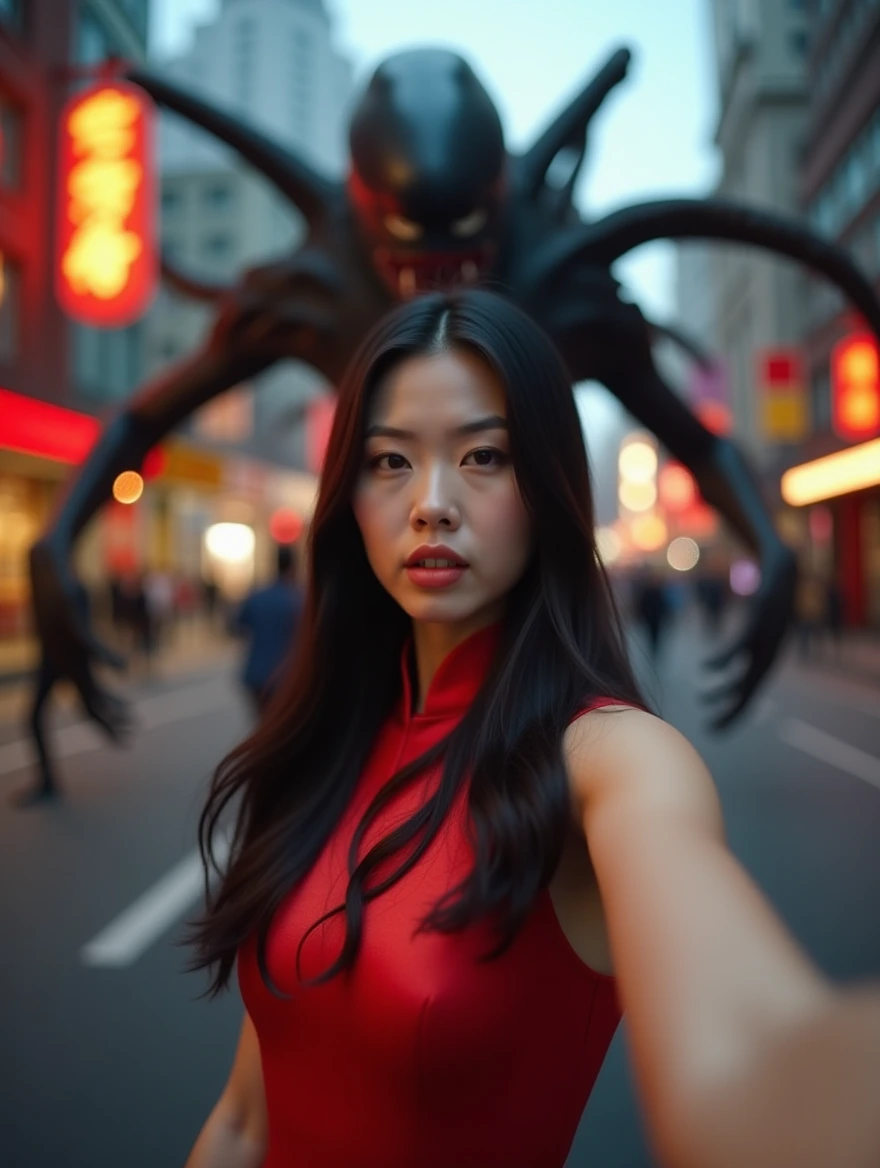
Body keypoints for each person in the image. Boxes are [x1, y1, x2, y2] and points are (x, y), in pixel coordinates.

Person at [181, 291, 880, 1168]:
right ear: (346, 496)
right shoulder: (326, 741)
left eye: (483, 456)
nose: (431, 503)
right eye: (390, 461)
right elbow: (247, 1119)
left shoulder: (610, 759)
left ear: (549, 485)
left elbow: (758, 1067)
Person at [231, 544, 305, 716]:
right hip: (287, 675)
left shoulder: (257, 595)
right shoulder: (299, 599)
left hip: (256, 674)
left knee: (265, 723)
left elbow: (236, 627)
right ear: (294, 566)